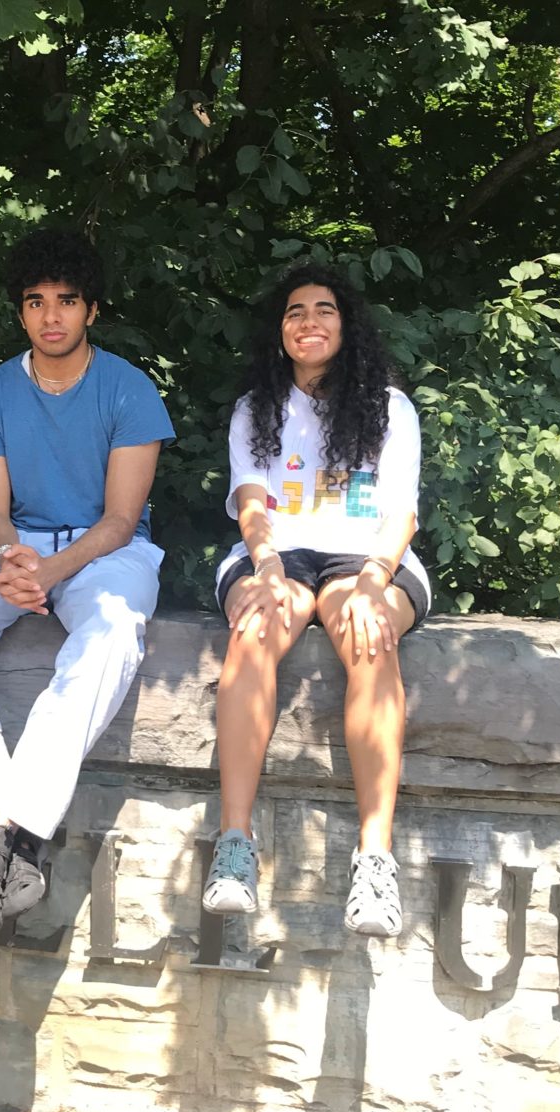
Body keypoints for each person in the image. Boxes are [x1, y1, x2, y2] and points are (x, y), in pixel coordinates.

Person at [0, 229, 174, 934]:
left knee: (115, 629)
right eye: (35, 302)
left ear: (91, 309)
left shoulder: (129, 389)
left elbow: (121, 519)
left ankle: (18, 824)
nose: (51, 315)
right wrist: (10, 560)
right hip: (17, 547)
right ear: (20, 312)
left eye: (66, 300)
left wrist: (54, 572)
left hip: (104, 555)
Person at [202, 263, 430, 938]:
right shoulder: (256, 409)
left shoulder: (389, 408)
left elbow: (403, 514)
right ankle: (235, 846)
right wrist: (265, 566)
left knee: (370, 634)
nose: (309, 322)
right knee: (253, 631)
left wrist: (372, 583)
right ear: (279, 331)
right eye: (295, 311)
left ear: (346, 323)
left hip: (368, 552)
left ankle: (375, 859)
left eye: (324, 309)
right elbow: (249, 499)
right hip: (281, 549)